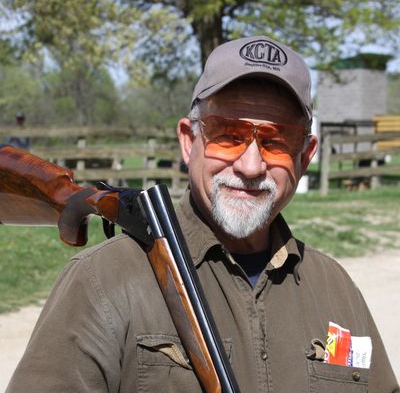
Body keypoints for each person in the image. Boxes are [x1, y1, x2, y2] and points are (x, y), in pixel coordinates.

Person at [6, 36, 399, 393]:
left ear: (306, 155)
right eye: (227, 134)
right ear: (187, 141)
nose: (250, 166)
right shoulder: (100, 279)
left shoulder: (336, 287)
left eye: (277, 142)